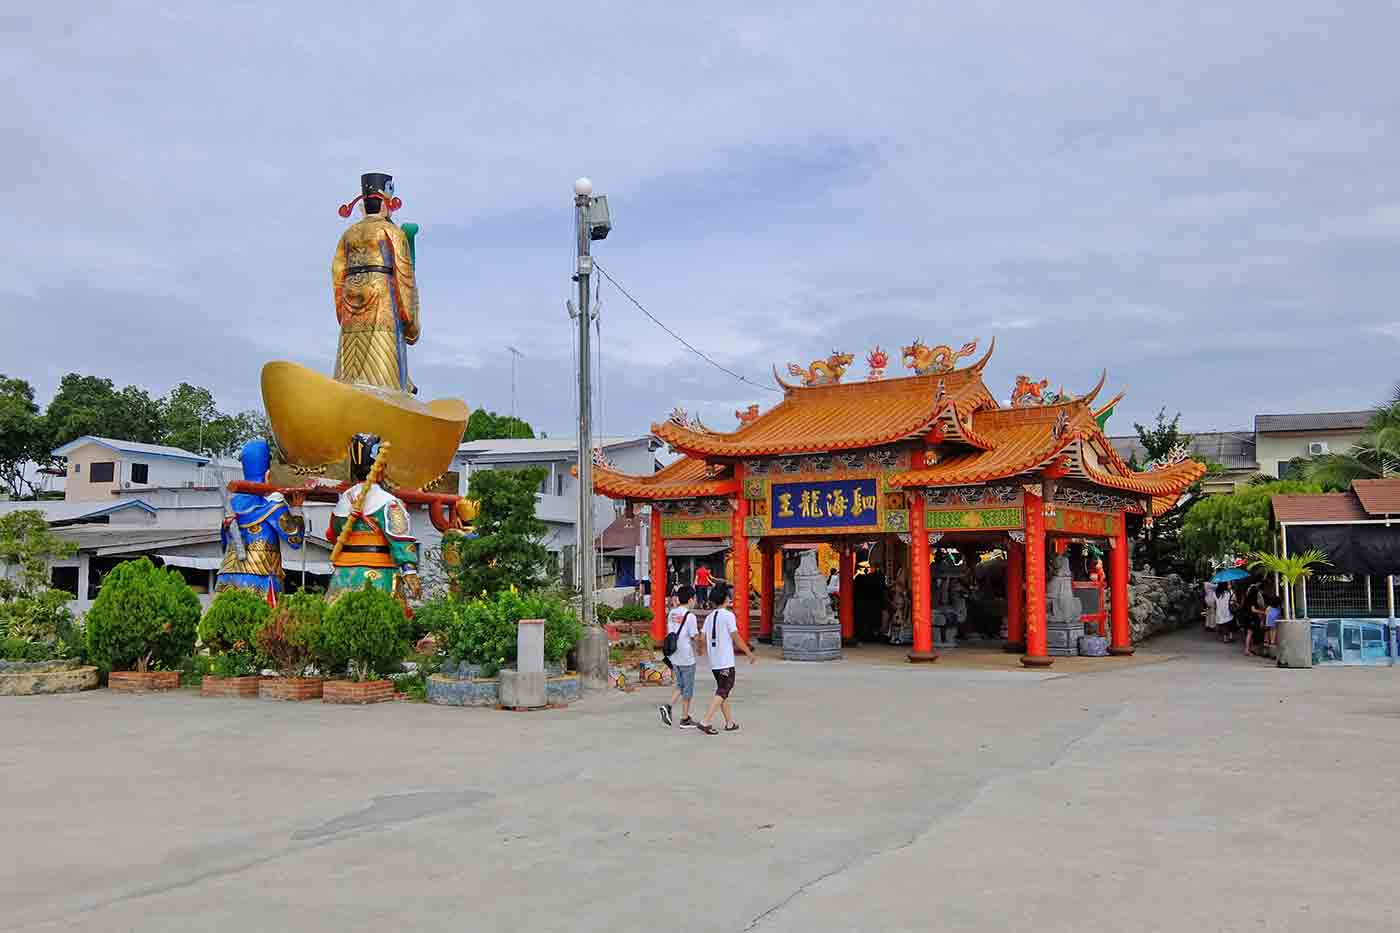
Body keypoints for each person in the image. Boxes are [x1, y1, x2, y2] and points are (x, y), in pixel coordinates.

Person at [696, 584, 756, 735]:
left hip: (715, 662)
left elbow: (701, 637)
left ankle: (729, 722)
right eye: (728, 596)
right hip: (726, 662)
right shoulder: (729, 616)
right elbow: (735, 637)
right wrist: (748, 651)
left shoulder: (709, 617)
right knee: (723, 690)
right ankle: (706, 720)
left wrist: (701, 649)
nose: (730, 598)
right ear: (724, 599)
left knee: (723, 691)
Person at [659, 585, 701, 729]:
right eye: (694, 598)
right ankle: (684, 718)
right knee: (687, 689)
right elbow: (694, 636)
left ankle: (669, 707)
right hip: (686, 657)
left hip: (673, 655)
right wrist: (701, 647)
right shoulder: (690, 616)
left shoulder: (672, 613)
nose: (695, 601)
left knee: (680, 685)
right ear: (690, 599)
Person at [1241, 580, 1266, 656]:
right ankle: (1247, 650)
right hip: (1251, 617)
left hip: (1248, 617)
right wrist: (1263, 612)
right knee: (1250, 633)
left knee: (1250, 634)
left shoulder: (1247, 598)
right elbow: (1253, 610)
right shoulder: (1252, 599)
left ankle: (1249, 649)